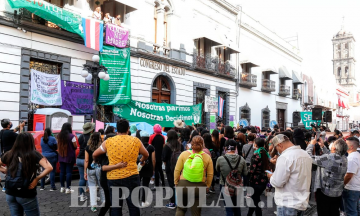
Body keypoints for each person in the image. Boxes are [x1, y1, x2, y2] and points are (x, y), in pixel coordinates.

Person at [92, 119, 149, 216]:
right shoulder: (136, 141)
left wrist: (96, 161)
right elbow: (146, 154)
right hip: (132, 176)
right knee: (133, 206)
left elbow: (95, 154)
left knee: (116, 207)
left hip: (114, 178)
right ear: (128, 129)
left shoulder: (108, 142)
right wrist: (141, 160)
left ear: (116, 130)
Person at [0, 132, 53, 215]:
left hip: (10, 192)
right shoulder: (34, 154)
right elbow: (49, 167)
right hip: (26, 192)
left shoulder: (9, 153)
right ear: (31, 142)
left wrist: (6, 170)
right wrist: (37, 179)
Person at [268, 134, 312, 215]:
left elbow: (278, 182)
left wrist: (271, 177)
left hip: (287, 203)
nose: (277, 151)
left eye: (276, 148)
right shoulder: (305, 155)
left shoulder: (285, 157)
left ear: (280, 145)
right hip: (302, 202)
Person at [306, 138, 348, 216]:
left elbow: (308, 157)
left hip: (324, 193)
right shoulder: (344, 158)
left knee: (323, 213)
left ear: (334, 148)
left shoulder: (329, 158)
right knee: (334, 212)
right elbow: (332, 157)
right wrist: (323, 146)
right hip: (337, 193)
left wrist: (311, 144)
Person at [174, 135, 214, 216]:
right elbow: (210, 174)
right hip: (199, 186)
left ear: (191, 144)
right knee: (196, 212)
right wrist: (208, 186)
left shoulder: (183, 154)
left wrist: (176, 182)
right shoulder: (207, 157)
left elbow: (177, 170)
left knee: (180, 209)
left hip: (183, 184)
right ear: (203, 144)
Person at [216, 139, 247, 216]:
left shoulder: (220, 159)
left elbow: (217, 170)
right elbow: (245, 173)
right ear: (236, 148)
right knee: (237, 207)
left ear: (225, 148)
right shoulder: (241, 159)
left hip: (224, 185)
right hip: (237, 186)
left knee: (228, 208)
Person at [162, 130, 184, 209]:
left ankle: (173, 203)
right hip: (180, 168)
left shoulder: (167, 146)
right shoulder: (180, 145)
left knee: (171, 185)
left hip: (170, 168)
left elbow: (164, 158)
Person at [84, 132, 105, 212]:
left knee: (92, 188)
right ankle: (104, 203)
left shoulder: (87, 147)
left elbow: (86, 160)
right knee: (101, 186)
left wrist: (85, 172)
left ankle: (93, 206)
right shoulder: (101, 147)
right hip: (99, 168)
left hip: (90, 169)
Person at [76, 122, 95, 201]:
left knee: (82, 178)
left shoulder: (80, 136)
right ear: (91, 130)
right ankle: (93, 197)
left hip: (79, 159)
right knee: (91, 178)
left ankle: (81, 195)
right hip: (86, 160)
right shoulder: (91, 138)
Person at [58, 122, 77, 194]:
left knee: (62, 172)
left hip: (61, 155)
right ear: (69, 128)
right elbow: (75, 146)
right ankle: (68, 188)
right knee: (69, 172)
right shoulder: (72, 136)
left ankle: (62, 187)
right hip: (69, 155)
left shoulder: (59, 136)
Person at [343, 137, 360, 216]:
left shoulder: (352, 158)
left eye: (346, 144)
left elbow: (349, 175)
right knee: (355, 210)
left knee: (351, 212)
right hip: (355, 188)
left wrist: (342, 184)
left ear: (351, 146)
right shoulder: (356, 155)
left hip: (352, 188)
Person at [139, 131, 155, 207]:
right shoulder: (151, 147)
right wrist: (153, 169)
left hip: (139, 167)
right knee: (145, 185)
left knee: (137, 183)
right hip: (148, 168)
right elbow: (153, 159)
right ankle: (143, 201)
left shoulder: (137, 146)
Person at [149, 124, 166, 188]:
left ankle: (156, 185)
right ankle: (163, 184)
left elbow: (150, 146)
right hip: (160, 155)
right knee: (160, 170)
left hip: (154, 155)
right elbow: (163, 146)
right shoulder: (163, 137)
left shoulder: (152, 136)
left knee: (155, 170)